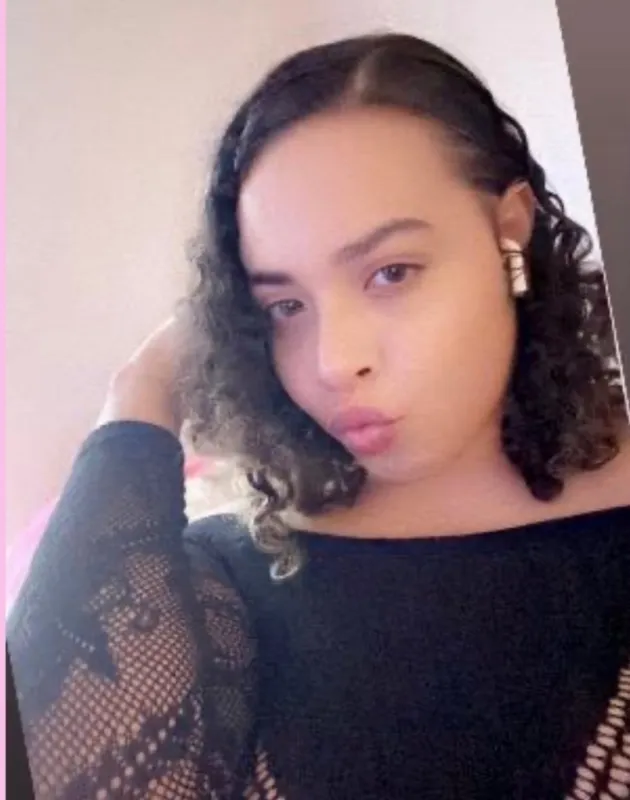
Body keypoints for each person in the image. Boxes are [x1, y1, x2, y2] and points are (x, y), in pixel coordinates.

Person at [7, 32, 630, 800]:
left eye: (391, 272)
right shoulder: (233, 575)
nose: (334, 361)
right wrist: (142, 386)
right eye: (285, 306)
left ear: (510, 226)